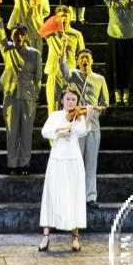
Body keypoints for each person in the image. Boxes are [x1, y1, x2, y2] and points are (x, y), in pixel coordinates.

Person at [39, 86, 92, 252]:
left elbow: (83, 132)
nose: (71, 102)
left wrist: (89, 116)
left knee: (74, 196)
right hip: (57, 160)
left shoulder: (78, 117)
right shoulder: (55, 115)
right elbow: (44, 131)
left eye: (74, 100)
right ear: (62, 100)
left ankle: (75, 238)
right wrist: (59, 131)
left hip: (73, 159)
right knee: (51, 195)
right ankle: (45, 237)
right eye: (68, 99)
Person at [0, 4, 43, 176]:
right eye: (15, 34)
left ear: (26, 36)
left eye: (22, 34)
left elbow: (38, 77)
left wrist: (36, 94)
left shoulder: (34, 54)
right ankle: (12, 164)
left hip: (28, 96)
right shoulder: (7, 49)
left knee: (26, 133)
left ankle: (25, 164)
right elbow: (0, 36)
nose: (19, 36)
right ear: (12, 36)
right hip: (11, 95)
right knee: (12, 132)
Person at [64, 50, 109, 208]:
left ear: (92, 60)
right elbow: (63, 70)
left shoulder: (99, 79)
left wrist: (99, 109)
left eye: (87, 58)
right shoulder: (72, 74)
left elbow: (105, 101)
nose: (84, 60)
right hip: (77, 124)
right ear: (77, 61)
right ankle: (75, 196)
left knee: (91, 163)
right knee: (76, 162)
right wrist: (63, 51)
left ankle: (90, 196)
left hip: (93, 125)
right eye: (82, 58)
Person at [42, 5, 86, 114]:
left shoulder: (76, 34)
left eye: (66, 16)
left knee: (69, 109)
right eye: (61, 16)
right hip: (54, 73)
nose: (64, 18)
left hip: (69, 75)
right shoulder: (51, 33)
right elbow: (39, 26)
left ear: (70, 17)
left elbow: (82, 55)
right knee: (53, 107)